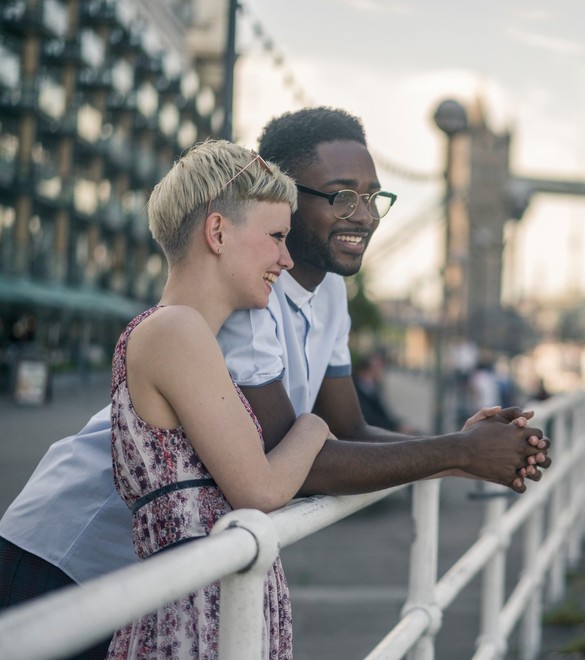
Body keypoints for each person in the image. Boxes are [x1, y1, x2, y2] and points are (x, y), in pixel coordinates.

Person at [0, 106, 548, 658]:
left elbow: (350, 428)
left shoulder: (327, 292)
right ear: (287, 193)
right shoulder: (240, 300)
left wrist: (468, 452)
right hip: (76, 546)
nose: (364, 215)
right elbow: (284, 465)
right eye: (340, 195)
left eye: (372, 196)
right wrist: (457, 451)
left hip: (165, 572)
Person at [105, 140, 329, 657]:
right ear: (218, 231)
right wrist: (313, 427)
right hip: (192, 619)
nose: (287, 258)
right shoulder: (176, 331)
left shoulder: (183, 336)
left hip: (207, 606)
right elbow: (260, 488)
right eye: (276, 236)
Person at [352, 350, 419, 434]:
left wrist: (399, 424)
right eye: (379, 366)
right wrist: (397, 427)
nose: (382, 371)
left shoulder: (370, 387)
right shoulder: (357, 388)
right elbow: (371, 419)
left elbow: (383, 413)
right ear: (369, 368)